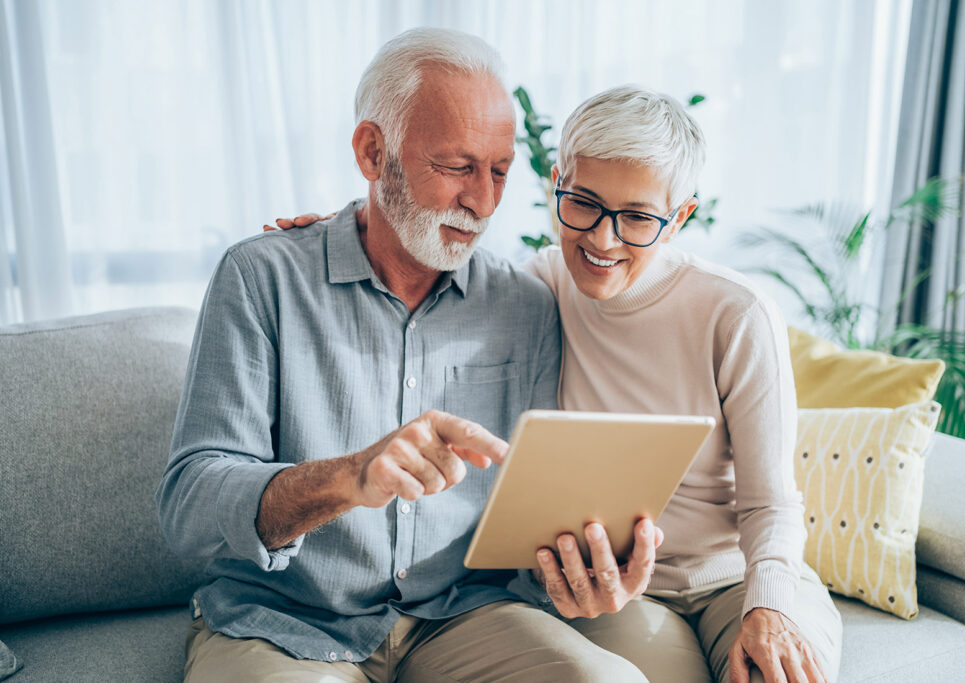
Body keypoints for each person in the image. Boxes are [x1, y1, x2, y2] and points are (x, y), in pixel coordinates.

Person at [276, 85, 843, 682]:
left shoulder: (736, 313)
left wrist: (770, 606)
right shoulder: (537, 289)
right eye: (584, 204)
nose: (603, 239)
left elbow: (770, 502)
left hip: (739, 575)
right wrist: (346, 232)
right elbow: (424, 260)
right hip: (613, 587)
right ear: (556, 185)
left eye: (638, 218)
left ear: (679, 219)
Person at [157, 28, 653, 682]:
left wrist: (588, 567)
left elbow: (533, 514)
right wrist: (349, 477)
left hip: (462, 617)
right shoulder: (260, 277)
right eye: (455, 166)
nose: (481, 201)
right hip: (285, 622)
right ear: (371, 151)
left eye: (499, 171)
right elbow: (189, 502)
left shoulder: (527, 305)